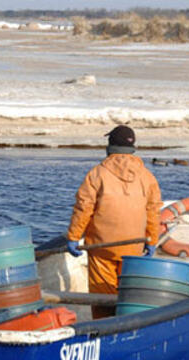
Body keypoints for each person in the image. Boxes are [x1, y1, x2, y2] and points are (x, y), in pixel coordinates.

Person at [66, 125, 162, 319]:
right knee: (127, 291)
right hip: (134, 247)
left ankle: (105, 328)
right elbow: (153, 211)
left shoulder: (96, 174)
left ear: (110, 146)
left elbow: (84, 208)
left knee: (102, 295)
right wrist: (152, 241)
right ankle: (127, 324)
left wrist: (74, 237)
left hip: (102, 247)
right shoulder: (147, 177)